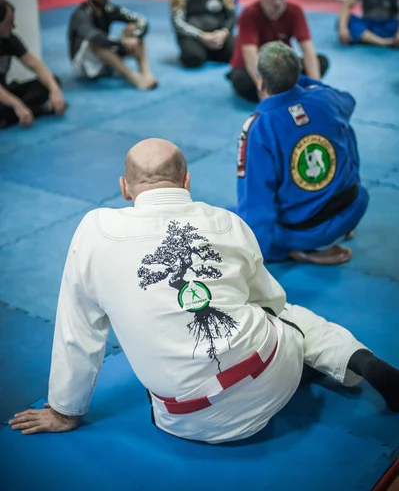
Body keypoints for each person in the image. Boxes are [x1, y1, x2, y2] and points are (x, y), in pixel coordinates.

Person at [9, 139, 398, 443]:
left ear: (124, 188)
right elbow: (271, 303)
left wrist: (65, 409)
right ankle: (356, 358)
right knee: (290, 316)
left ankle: (318, 363)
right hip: (271, 377)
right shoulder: (227, 222)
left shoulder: (94, 231)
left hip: (185, 418)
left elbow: (78, 331)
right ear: (187, 181)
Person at [236, 41, 369, 266]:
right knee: (344, 130)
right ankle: (340, 229)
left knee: (233, 218)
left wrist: (258, 256)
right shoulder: (324, 99)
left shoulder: (259, 127)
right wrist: (298, 85)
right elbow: (349, 100)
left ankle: (297, 251)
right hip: (354, 207)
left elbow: (257, 203)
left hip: (307, 232)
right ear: (299, 75)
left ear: (260, 81)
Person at [227, 0, 329, 103]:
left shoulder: (295, 12)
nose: (277, 2)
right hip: (253, 68)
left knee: (321, 62)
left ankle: (284, 91)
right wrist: (263, 90)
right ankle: (287, 91)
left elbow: (308, 49)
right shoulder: (249, 14)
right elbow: (250, 57)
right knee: (242, 82)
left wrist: (315, 87)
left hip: (280, 65)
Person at [68, 0, 158, 89]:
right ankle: (133, 77)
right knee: (95, 43)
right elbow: (96, 38)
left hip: (105, 59)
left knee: (133, 29)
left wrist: (134, 36)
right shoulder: (80, 14)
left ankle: (146, 73)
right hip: (85, 66)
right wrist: (122, 42)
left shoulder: (109, 9)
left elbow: (142, 20)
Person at [0, 0, 66, 129]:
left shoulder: (10, 40)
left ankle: (13, 115)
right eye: (9, 23)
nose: (13, 27)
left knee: (52, 81)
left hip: (5, 93)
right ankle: (37, 110)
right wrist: (17, 105)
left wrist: (55, 90)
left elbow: (35, 64)